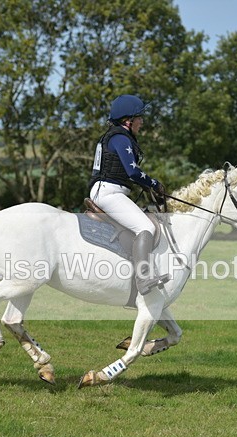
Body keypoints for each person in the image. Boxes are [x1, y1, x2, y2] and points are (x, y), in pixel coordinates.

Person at [89, 94, 168, 295]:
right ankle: (143, 279)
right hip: (108, 192)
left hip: (111, 191)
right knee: (146, 227)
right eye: (139, 117)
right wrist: (154, 184)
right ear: (127, 120)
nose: (142, 121)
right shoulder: (120, 138)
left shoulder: (116, 136)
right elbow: (132, 172)